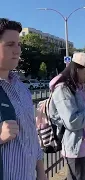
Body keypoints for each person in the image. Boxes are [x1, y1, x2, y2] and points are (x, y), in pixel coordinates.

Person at [0, 18, 47, 180]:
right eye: (10, 44)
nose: (18, 50)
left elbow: (31, 136)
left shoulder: (21, 88)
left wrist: (41, 172)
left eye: (18, 44)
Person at [48, 52, 85, 180]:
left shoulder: (80, 87)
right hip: (77, 147)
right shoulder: (63, 89)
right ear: (77, 69)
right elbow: (72, 121)